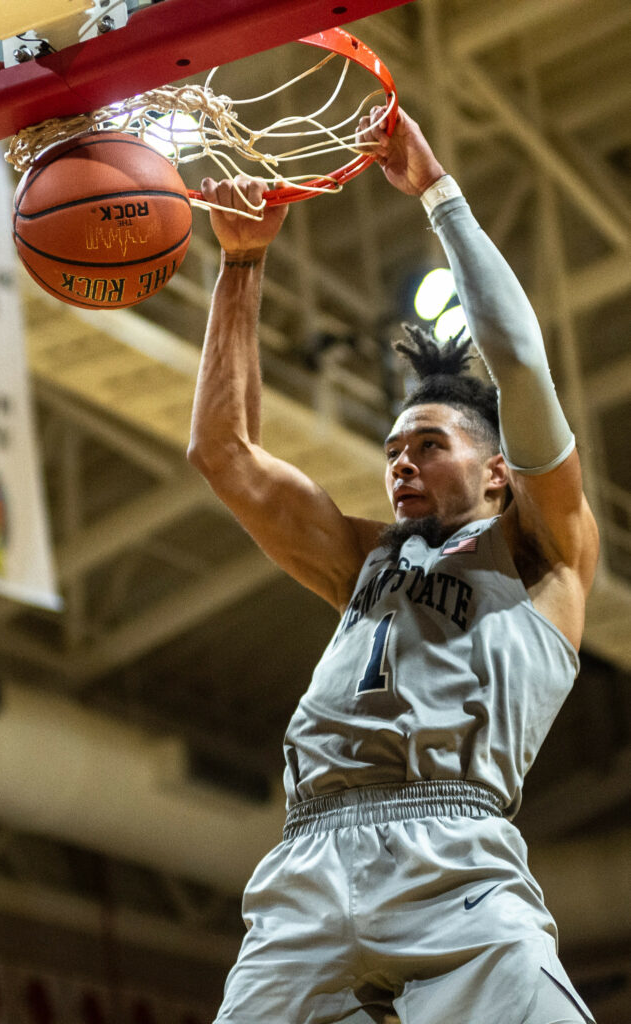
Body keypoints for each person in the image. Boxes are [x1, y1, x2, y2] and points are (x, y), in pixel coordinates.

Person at [187, 106, 599, 1024]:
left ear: (498, 469)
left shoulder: (544, 554)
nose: (400, 461)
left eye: (427, 443)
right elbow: (225, 453)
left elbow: (521, 363)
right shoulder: (364, 557)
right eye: (391, 450)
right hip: (306, 865)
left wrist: (440, 198)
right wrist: (242, 264)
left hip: (457, 857)